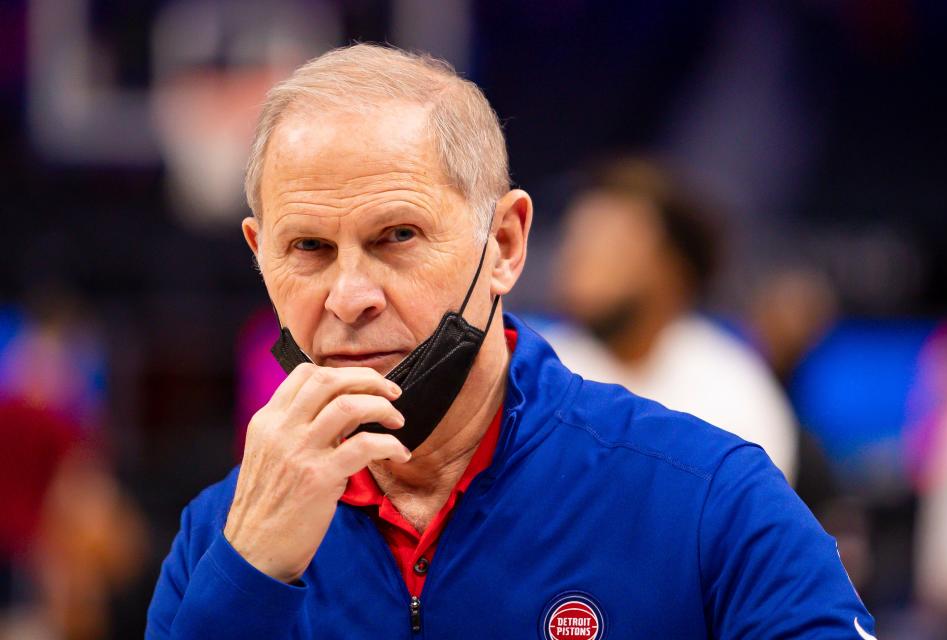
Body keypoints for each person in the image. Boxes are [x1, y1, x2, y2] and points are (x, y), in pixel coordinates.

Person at [147, 44, 875, 639]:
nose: (348, 296)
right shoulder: (220, 538)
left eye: (396, 237)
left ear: (504, 242)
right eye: (307, 247)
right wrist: (246, 583)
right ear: (258, 254)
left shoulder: (710, 497)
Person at [543, 158, 799, 483]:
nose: (579, 259)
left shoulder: (734, 391)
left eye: (608, 243)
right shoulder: (533, 376)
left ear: (673, 269)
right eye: (576, 239)